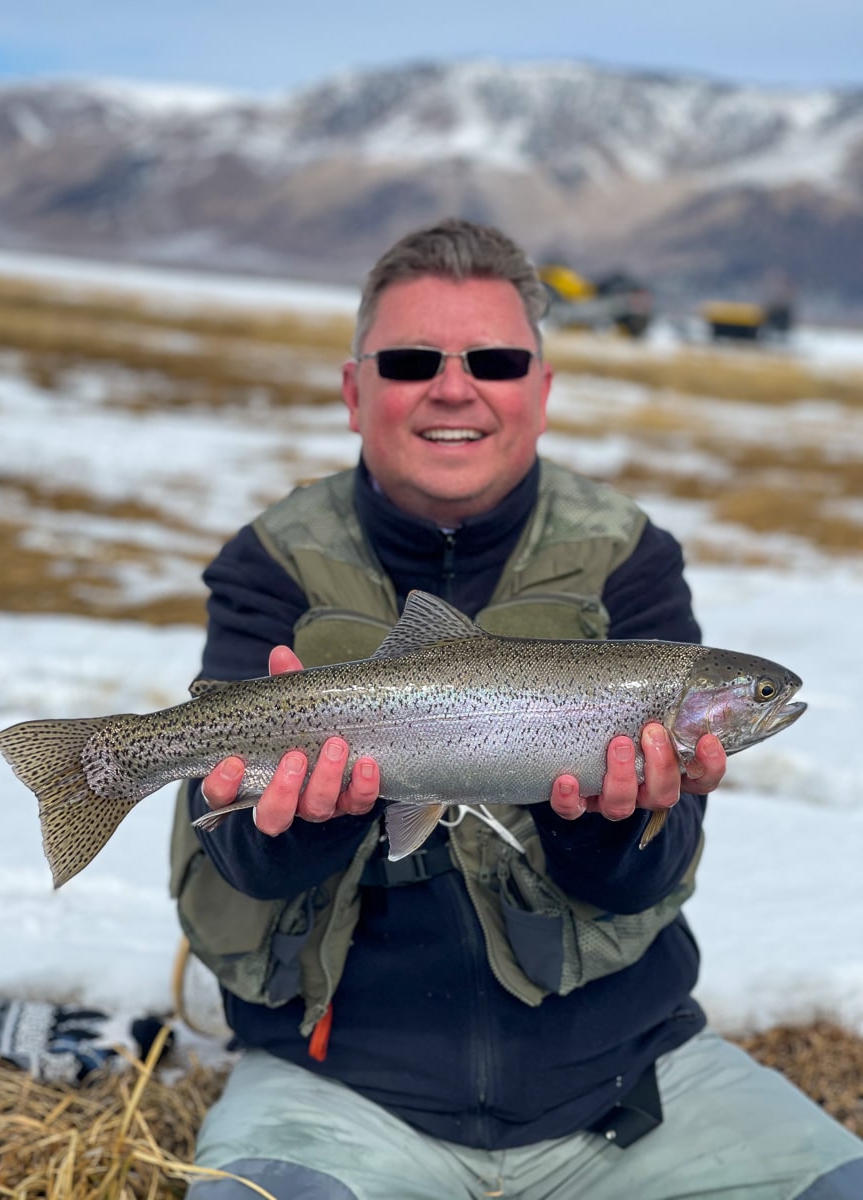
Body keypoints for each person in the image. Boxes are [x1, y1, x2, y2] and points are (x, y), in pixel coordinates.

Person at [172, 219, 862, 1199]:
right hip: (338, 1093)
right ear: (353, 391)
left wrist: (617, 828)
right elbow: (235, 852)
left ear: (540, 395)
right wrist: (301, 830)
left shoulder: (630, 557)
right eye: (413, 360)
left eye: (493, 360)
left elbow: (644, 883)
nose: (455, 388)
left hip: (632, 1088)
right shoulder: (270, 561)